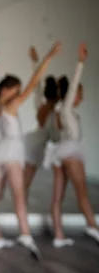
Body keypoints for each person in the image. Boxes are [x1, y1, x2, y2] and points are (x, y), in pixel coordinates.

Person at [0, 42, 61, 259]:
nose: (18, 93)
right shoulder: (12, 105)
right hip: (12, 152)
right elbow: (34, 82)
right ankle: (24, 234)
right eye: (16, 89)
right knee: (19, 195)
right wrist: (47, 59)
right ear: (6, 91)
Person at [45, 42, 99, 247]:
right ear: (73, 94)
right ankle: (93, 226)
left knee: (58, 197)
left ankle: (59, 236)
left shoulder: (63, 111)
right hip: (70, 152)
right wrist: (80, 62)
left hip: (59, 153)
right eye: (80, 93)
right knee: (82, 193)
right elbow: (74, 84)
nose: (81, 96)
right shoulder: (66, 108)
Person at [23, 46, 60, 195]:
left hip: (31, 140)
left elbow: (36, 84)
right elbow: (55, 137)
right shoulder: (55, 115)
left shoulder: (40, 104)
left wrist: (34, 61)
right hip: (37, 145)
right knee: (27, 181)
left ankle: (20, 206)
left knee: (25, 179)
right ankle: (21, 208)